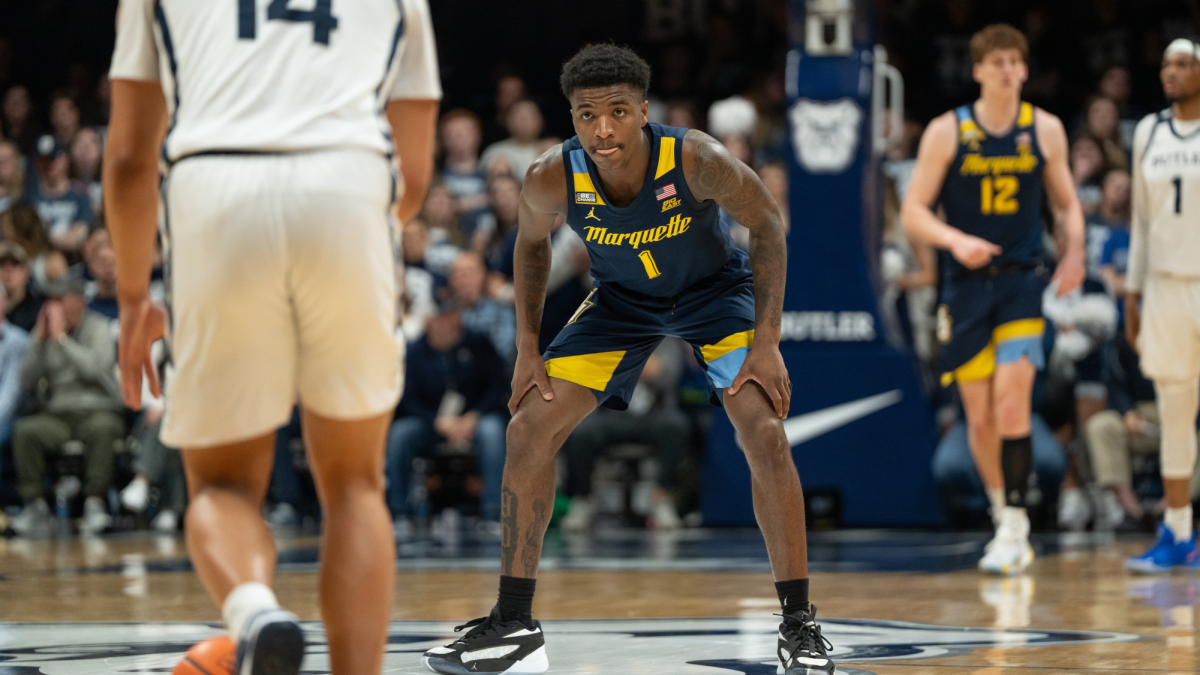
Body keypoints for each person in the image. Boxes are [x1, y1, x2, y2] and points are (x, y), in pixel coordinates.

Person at [422, 44, 833, 675]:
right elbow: (531, 246)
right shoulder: (549, 175)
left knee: (765, 433)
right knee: (529, 425)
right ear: (573, 118)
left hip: (715, 297)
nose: (603, 128)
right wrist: (529, 351)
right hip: (621, 304)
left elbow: (768, 224)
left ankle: (798, 624)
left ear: (644, 110)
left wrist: (768, 341)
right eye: (587, 115)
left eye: (618, 111)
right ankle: (513, 622)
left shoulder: (695, 158)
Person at [104, 0, 440, 673]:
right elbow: (415, 168)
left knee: (222, 485)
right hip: (348, 179)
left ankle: (255, 610)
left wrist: (135, 295)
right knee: (354, 485)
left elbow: (130, 161)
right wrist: (342, 223)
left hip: (215, 184)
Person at [901, 24, 1086, 575]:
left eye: (1015, 62)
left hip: (1022, 280)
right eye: (996, 61)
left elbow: (1068, 204)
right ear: (978, 70)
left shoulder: (1044, 128)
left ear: (1025, 70)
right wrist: (955, 240)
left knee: (1012, 403)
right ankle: (1005, 515)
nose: (1007, 70)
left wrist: (1074, 252)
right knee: (978, 418)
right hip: (964, 286)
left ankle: (1016, 521)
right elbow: (913, 209)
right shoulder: (948, 130)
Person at [1123, 38, 1200, 573]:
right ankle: (1178, 531)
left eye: (1183, 63)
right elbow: (1140, 222)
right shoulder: (1148, 132)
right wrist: (1132, 290)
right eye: (1167, 63)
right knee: (1175, 413)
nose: (1170, 71)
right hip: (1166, 286)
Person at [9, 277, 124, 537]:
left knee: (103, 428)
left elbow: (95, 368)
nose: (54, 307)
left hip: (98, 409)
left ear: (79, 301)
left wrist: (62, 340)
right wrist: (39, 341)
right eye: (51, 301)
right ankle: (36, 506)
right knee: (27, 431)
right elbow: (26, 380)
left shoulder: (99, 327)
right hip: (59, 415)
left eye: (61, 300)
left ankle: (95, 503)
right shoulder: (44, 334)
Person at [385, 309, 507, 533]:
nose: (446, 322)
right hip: (431, 423)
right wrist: (436, 422)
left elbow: (498, 387)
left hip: (474, 420)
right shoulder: (413, 352)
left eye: (450, 315)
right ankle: (398, 513)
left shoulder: (480, 344)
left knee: (493, 431)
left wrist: (474, 415)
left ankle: (494, 514)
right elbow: (406, 398)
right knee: (400, 433)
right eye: (439, 316)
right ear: (428, 319)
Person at [559, 338, 690, 531]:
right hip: (611, 414)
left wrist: (624, 357)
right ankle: (582, 500)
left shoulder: (666, 335)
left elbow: (664, 373)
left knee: (677, 426)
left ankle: (662, 498)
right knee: (581, 432)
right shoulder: (607, 328)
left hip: (653, 415)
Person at [27, 135, 93, 255]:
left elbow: (78, 239)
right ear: (36, 163)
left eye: (53, 159)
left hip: (73, 263)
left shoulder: (80, 196)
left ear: (65, 159)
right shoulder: (28, 197)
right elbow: (24, 239)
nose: (48, 165)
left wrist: (44, 240)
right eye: (43, 160)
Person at [0, 200, 69, 289]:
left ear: (20, 228)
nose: (2, 233)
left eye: (5, 227)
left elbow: (64, 297)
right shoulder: (4, 257)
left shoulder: (52, 262)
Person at [480, 99, 544, 182]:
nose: (524, 121)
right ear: (508, 121)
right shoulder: (495, 151)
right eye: (519, 117)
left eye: (529, 117)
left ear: (541, 121)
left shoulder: (552, 150)